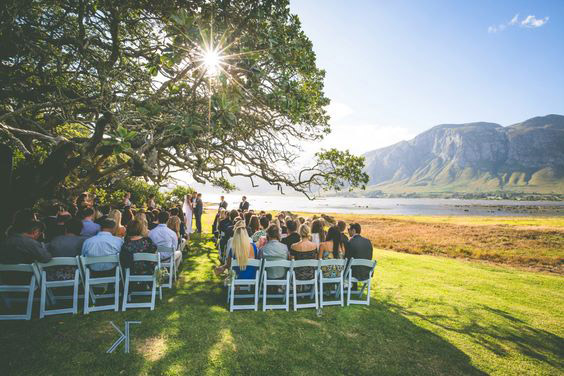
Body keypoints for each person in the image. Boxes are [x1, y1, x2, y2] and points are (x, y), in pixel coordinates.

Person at [346, 223, 374, 288]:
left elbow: (347, 258)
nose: (348, 231)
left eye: (349, 229)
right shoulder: (368, 241)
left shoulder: (351, 242)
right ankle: (353, 286)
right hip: (366, 272)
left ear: (353, 230)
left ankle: (346, 286)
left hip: (354, 273)